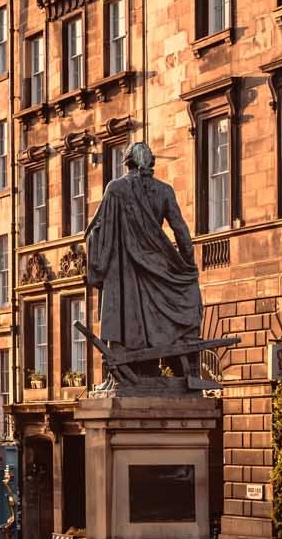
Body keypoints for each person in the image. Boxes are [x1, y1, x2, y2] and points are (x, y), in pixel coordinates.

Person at [84, 142, 202, 376]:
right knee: (187, 293)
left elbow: (96, 231)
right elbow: (181, 230)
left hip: (126, 267)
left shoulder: (115, 189)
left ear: (128, 163)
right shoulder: (164, 191)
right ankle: (156, 361)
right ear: (151, 164)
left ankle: (137, 362)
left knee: (127, 311)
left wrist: (99, 253)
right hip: (157, 265)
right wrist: (188, 266)